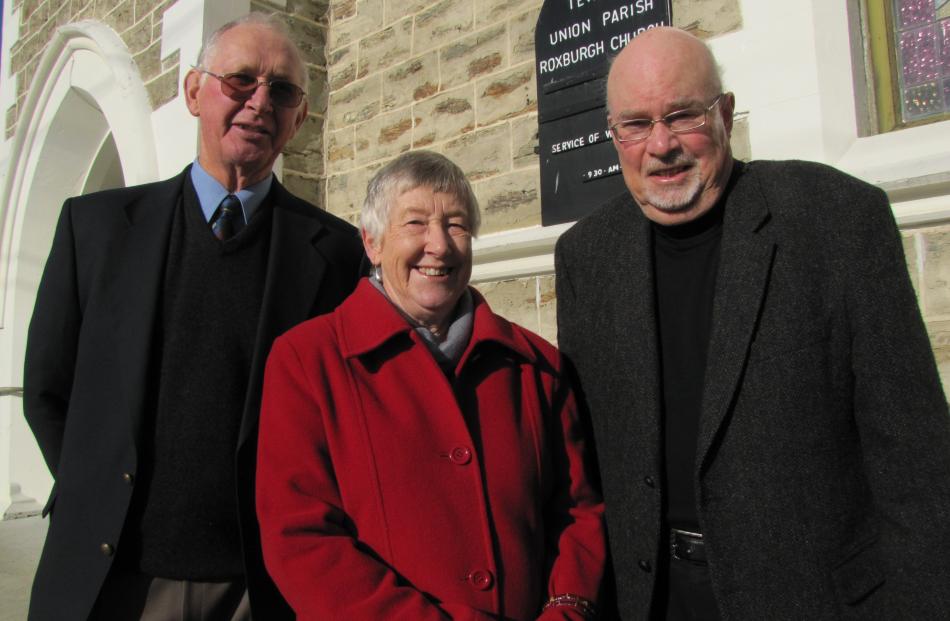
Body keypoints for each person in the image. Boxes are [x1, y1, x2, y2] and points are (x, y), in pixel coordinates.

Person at [555, 27, 950, 620]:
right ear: (614, 135)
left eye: (682, 115)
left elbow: (916, 462)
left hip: (815, 598)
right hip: (653, 600)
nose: (660, 145)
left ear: (726, 114)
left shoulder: (835, 218)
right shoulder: (586, 255)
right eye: (635, 125)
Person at [23, 12, 363, 620]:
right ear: (193, 91)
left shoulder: (337, 254)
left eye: (281, 91)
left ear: (300, 117)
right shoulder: (95, 228)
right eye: (240, 81)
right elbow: (48, 390)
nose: (259, 102)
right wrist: (96, 492)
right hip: (115, 578)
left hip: (260, 587)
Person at [256, 150, 606, 620]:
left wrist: (567, 609)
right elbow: (300, 538)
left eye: (457, 224)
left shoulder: (536, 366)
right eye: (415, 223)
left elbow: (578, 511)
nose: (439, 245)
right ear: (372, 243)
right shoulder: (307, 361)